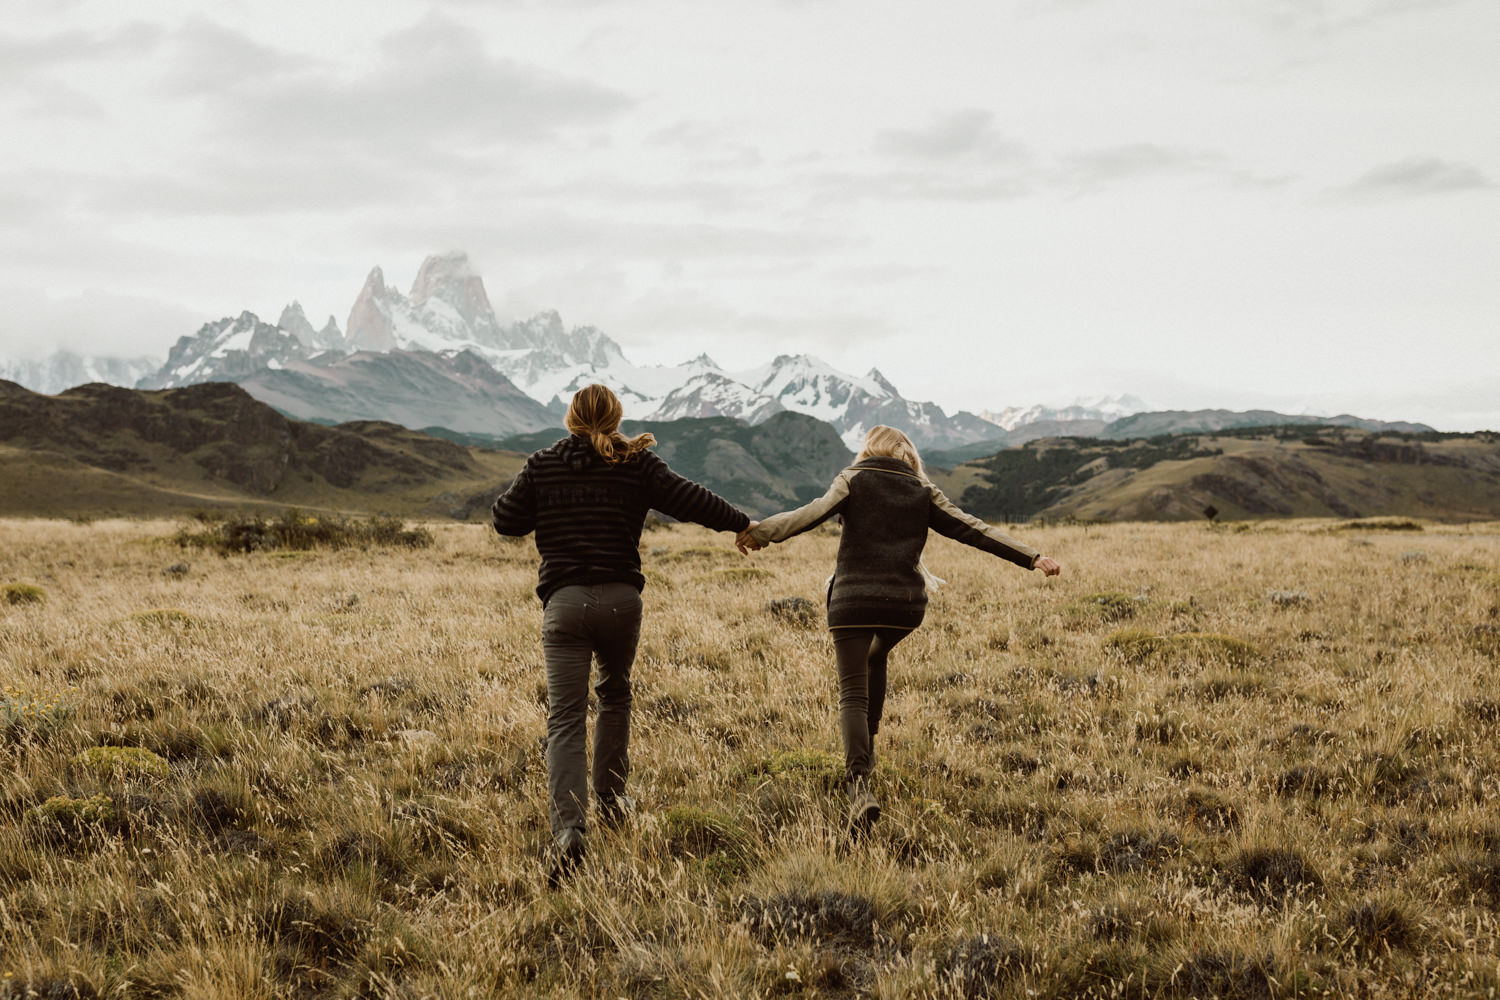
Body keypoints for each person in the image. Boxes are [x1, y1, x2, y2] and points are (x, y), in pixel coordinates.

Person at [736, 425, 1060, 835]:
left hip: (852, 601)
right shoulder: (923, 490)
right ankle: (868, 754)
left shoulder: (853, 478)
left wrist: (761, 531)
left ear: (869, 449)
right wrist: (1031, 556)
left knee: (852, 691)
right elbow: (974, 529)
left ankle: (859, 785)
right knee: (876, 657)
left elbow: (810, 514)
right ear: (907, 454)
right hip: (904, 607)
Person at [492, 384, 754, 882]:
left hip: (565, 604)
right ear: (615, 419)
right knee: (614, 696)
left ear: (570, 419)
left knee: (565, 718)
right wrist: (744, 524)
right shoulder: (636, 463)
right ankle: (612, 802)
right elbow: (692, 500)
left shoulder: (542, 464)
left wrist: (548, 506)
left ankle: (570, 829)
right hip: (621, 602)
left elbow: (505, 520)